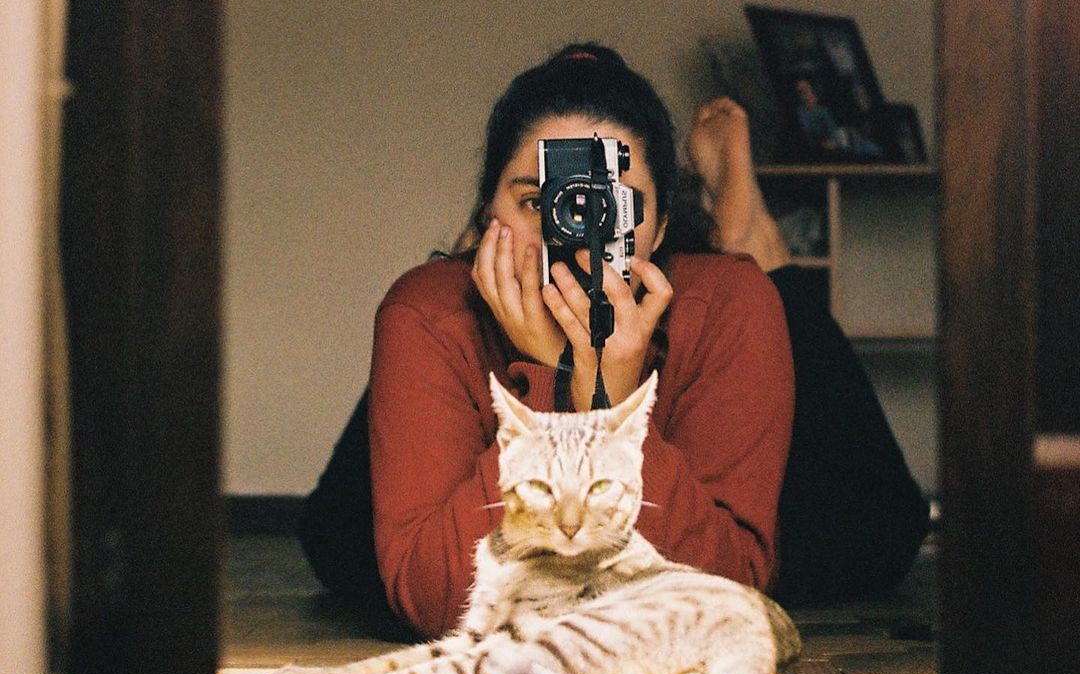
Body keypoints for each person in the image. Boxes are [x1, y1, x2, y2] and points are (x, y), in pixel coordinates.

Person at [299, 45, 929, 636]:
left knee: (877, 529)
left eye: (604, 208)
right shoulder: (429, 309)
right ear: (489, 210)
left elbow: (723, 594)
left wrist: (609, 404)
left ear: (659, 230)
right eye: (540, 203)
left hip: (714, 426)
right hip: (473, 339)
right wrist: (555, 385)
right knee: (340, 541)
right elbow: (437, 597)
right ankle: (501, 239)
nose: (571, 233)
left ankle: (751, 236)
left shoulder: (726, 303)